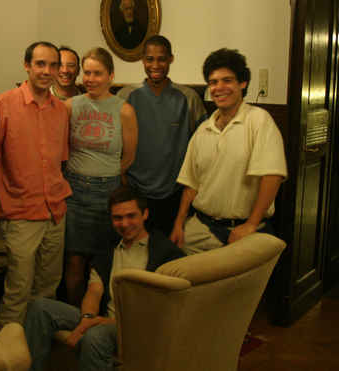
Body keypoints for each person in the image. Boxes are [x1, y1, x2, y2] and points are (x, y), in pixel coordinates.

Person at [24, 186, 185, 371]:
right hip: (104, 319)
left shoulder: (165, 253)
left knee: (95, 336)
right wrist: (87, 319)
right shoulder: (108, 249)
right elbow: (94, 290)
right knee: (40, 308)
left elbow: (161, 313)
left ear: (145, 214)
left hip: (138, 327)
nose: (124, 224)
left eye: (131, 216)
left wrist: (97, 323)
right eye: (117, 218)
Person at [0, 41, 72, 331]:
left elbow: (60, 162)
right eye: (40, 64)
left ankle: (36, 346)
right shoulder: (2, 106)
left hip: (55, 212)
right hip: (20, 213)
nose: (47, 71)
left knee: (47, 290)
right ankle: (7, 351)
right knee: (18, 291)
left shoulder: (61, 110)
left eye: (53, 65)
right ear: (26, 65)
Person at [170, 48, 287, 254]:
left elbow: (272, 175)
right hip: (201, 230)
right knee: (179, 272)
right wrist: (179, 224)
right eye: (213, 82)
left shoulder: (259, 121)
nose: (219, 88)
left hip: (245, 231)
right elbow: (191, 184)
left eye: (227, 80)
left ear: (242, 83)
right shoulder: (203, 130)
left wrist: (251, 224)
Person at [62, 47, 138, 306]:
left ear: (111, 76)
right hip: (74, 192)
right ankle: (74, 317)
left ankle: (104, 316)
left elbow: (128, 157)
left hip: (108, 193)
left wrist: (106, 175)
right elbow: (60, 149)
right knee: (74, 260)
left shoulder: (124, 110)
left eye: (97, 73)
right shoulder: (70, 106)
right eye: (87, 73)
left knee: (105, 260)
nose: (90, 79)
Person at [120, 35, 206, 237]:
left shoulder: (188, 98)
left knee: (170, 251)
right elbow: (114, 144)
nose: (155, 65)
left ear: (171, 59)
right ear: (142, 60)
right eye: (150, 59)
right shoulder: (125, 96)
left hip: (175, 194)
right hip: (136, 192)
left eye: (162, 59)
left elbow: (203, 147)